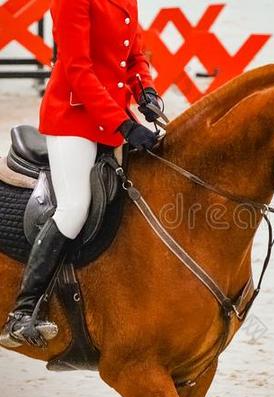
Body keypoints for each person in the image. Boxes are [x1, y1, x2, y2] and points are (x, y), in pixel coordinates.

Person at [0, 0, 161, 348]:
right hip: (74, 117)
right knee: (74, 207)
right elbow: (77, 68)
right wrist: (122, 123)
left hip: (115, 114)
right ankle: (23, 312)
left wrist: (145, 89)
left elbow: (133, 55)